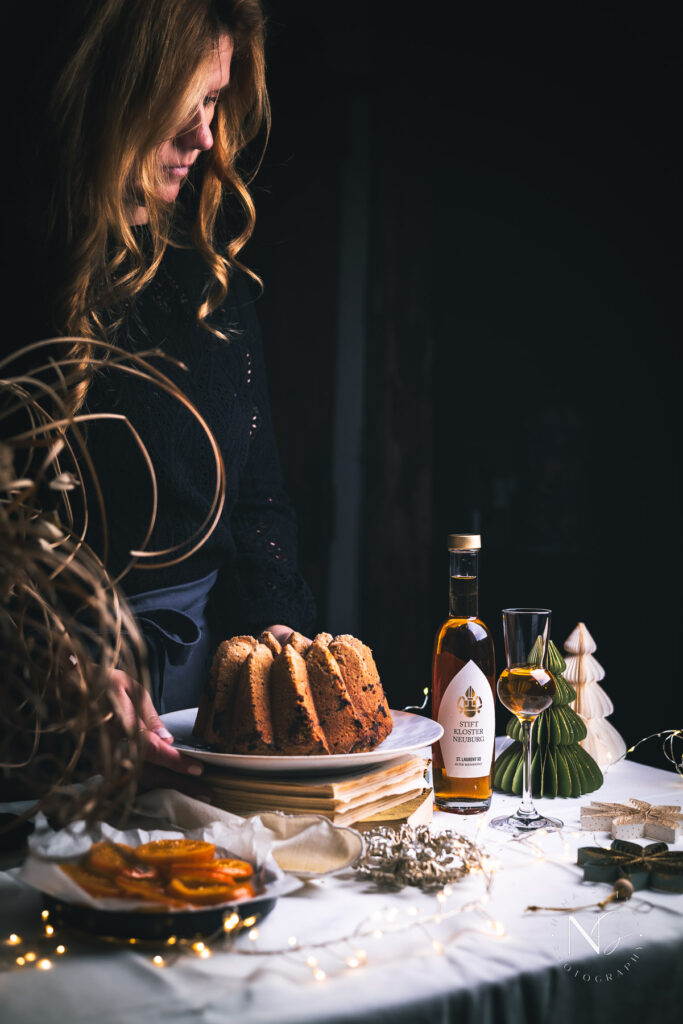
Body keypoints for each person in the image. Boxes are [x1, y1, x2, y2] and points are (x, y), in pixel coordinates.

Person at [10, 0, 316, 786]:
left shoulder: (209, 282)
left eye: (215, 102)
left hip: (196, 728)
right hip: (29, 729)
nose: (206, 138)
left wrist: (278, 642)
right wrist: (46, 657)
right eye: (185, 103)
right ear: (117, 90)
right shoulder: (21, 272)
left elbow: (257, 502)